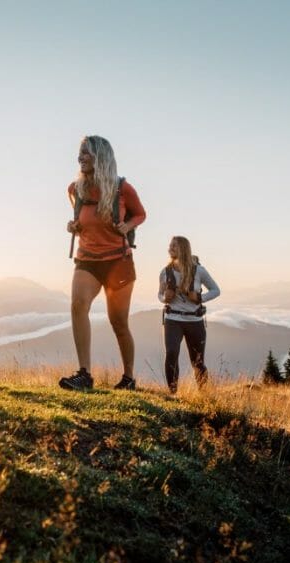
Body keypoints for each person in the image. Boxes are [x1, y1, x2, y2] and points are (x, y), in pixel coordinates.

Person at [59, 135, 146, 391]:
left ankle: (128, 378)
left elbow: (141, 213)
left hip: (118, 262)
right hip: (87, 260)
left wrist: (127, 225)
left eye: (86, 152)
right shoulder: (75, 189)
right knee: (78, 306)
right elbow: (81, 220)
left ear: (101, 157)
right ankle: (84, 374)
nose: (80, 157)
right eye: (80, 153)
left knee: (118, 322)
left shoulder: (123, 189)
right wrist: (73, 226)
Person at [159, 236, 220, 394]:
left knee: (197, 361)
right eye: (170, 245)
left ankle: (204, 395)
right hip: (173, 319)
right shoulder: (165, 272)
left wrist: (200, 298)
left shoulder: (198, 270)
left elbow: (215, 290)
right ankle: (173, 394)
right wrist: (165, 298)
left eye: (174, 246)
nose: (170, 248)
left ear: (184, 249)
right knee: (171, 353)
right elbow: (159, 295)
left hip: (195, 320)